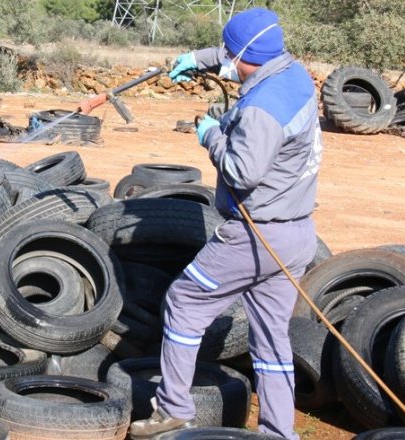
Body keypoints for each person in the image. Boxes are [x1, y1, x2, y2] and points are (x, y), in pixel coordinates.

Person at [128, 7, 322, 440]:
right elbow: (240, 53)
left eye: (228, 55)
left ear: (242, 56)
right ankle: (279, 433)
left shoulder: (261, 108)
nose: (226, 62)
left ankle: (174, 409)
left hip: (254, 237)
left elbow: (241, 172)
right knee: (272, 340)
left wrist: (211, 134)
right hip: (297, 233)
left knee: (183, 302)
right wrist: (197, 59)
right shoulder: (294, 76)